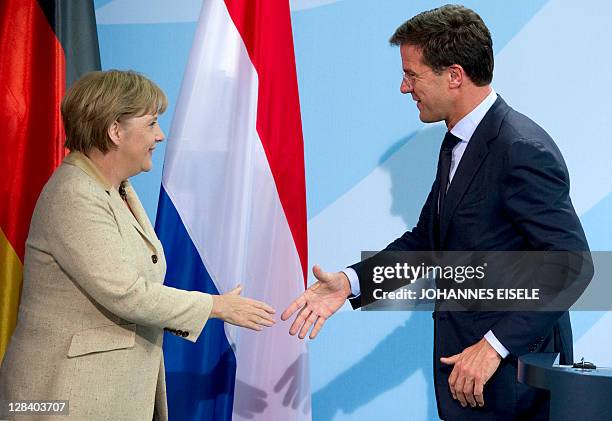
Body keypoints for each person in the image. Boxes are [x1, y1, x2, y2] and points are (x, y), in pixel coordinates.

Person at [282, 4, 591, 420]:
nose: (404, 88)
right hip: (467, 382)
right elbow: (429, 242)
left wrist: (493, 346)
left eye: (412, 74)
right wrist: (350, 282)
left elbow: (572, 267)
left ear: (454, 75)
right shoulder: (456, 141)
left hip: (511, 384)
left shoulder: (520, 148)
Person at [0, 70, 275, 420]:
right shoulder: (73, 195)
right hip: (65, 398)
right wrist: (215, 306)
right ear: (115, 131)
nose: (159, 136)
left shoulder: (118, 189)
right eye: (151, 124)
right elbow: (126, 293)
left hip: (106, 394)